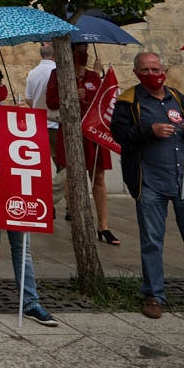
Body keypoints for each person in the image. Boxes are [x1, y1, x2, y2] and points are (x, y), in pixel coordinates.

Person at [109, 50, 184, 322]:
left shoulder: (179, 98)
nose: (152, 74)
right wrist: (149, 130)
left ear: (165, 71)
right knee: (152, 242)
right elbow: (119, 134)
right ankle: (153, 295)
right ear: (137, 73)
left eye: (155, 68)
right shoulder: (129, 101)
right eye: (145, 70)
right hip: (150, 182)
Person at [0, 64, 58, 327]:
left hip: (15, 182)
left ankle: (31, 302)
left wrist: (22, 120)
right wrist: (19, 129)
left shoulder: (7, 113)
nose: (3, 87)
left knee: (22, 247)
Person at [45, 43, 117, 245]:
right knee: (71, 174)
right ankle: (78, 219)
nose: (83, 54)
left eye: (86, 50)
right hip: (71, 130)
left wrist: (98, 78)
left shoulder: (94, 76)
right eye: (79, 51)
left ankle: (104, 226)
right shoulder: (57, 74)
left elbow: (102, 102)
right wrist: (70, 95)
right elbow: (51, 101)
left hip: (93, 132)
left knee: (99, 175)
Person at [23, 42, 57, 134]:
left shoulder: (33, 72)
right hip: (55, 124)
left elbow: (28, 99)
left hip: (38, 123)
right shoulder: (57, 71)